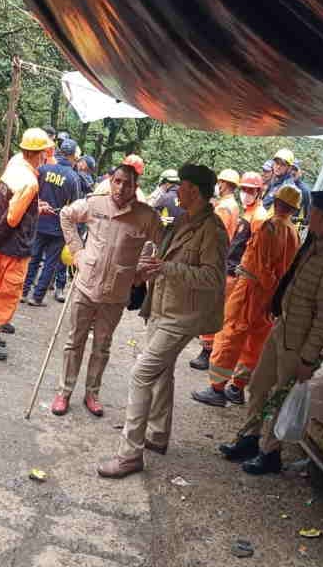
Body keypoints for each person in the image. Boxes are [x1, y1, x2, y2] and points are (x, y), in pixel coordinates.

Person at [97, 164, 227, 479]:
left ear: (194, 191)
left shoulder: (213, 230)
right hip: (162, 306)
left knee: (142, 373)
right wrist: (148, 260)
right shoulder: (181, 218)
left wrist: (167, 268)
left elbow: (212, 277)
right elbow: (160, 233)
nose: (174, 191)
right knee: (161, 373)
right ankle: (156, 434)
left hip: (183, 315)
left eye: (180, 186)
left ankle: (129, 455)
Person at [219, 192, 323, 475]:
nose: (312, 218)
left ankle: (270, 453)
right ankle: (249, 437)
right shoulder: (314, 245)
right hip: (283, 329)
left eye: (317, 214)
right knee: (258, 385)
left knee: (279, 398)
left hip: (300, 342)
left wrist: (308, 359)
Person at [53, 163, 163, 417]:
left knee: (102, 345)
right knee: (74, 341)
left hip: (116, 292)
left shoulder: (146, 216)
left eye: (128, 183)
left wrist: (143, 272)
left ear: (136, 187)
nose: (121, 187)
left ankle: (92, 393)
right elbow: (65, 216)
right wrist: (77, 252)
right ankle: (64, 391)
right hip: (85, 285)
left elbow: (165, 245)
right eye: (117, 181)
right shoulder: (94, 203)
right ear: (111, 181)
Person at [191, 185, 301, 407]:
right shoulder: (294, 232)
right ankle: (237, 387)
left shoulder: (270, 227)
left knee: (231, 334)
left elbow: (260, 265)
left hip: (251, 289)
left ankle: (217, 388)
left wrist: (257, 285)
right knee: (255, 342)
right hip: (269, 297)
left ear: (278, 203)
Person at [0, 128, 54, 361]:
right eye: (44, 153)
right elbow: (13, 216)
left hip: (0, 240)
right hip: (15, 245)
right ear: (37, 153)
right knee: (8, 291)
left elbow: (1, 204)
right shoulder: (30, 180)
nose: (46, 157)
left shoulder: (14, 168)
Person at [191, 170, 269, 370]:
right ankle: (209, 351)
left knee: (218, 312)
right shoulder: (247, 211)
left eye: (250, 190)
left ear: (259, 192)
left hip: (236, 272)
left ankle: (209, 353)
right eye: (244, 189)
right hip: (231, 267)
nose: (245, 193)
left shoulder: (257, 216)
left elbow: (254, 250)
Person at [22, 137, 82, 306]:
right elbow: (76, 206)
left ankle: (23, 292)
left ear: (59, 152)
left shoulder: (43, 169)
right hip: (58, 227)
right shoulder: (73, 178)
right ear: (72, 156)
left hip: (38, 221)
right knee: (50, 263)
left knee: (33, 258)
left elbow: (32, 193)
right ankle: (37, 297)